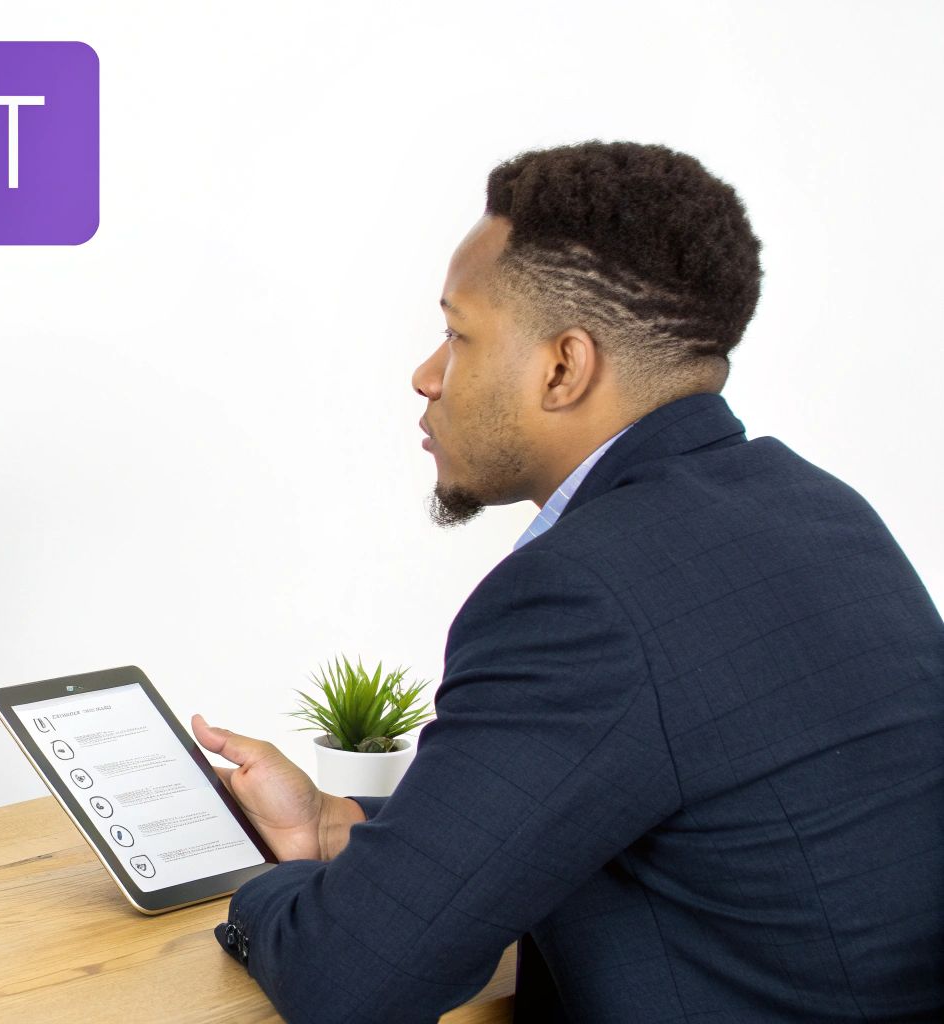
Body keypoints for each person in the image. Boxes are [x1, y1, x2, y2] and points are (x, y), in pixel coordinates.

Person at [192, 142, 944, 1021]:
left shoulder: (584, 593)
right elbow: (645, 808)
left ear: (563, 367)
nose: (427, 377)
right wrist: (337, 826)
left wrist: (254, 896)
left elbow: (349, 981)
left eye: (457, 334)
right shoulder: (821, 513)